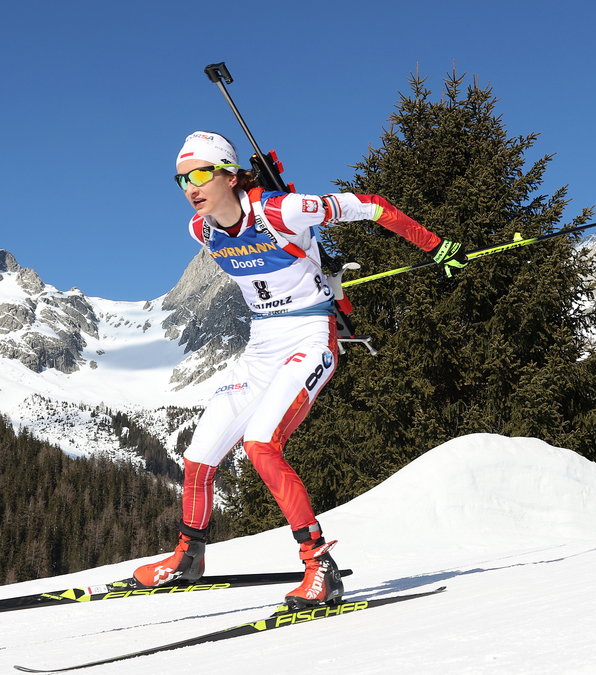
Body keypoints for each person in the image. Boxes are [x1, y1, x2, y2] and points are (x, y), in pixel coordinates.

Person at [133, 131, 467, 608]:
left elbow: (369, 204)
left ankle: (320, 568)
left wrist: (435, 245)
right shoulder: (200, 229)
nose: (192, 186)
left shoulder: (279, 211)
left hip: (310, 337)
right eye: (183, 178)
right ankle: (189, 558)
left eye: (203, 173)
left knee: (261, 444)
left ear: (230, 174)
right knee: (199, 458)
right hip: (262, 344)